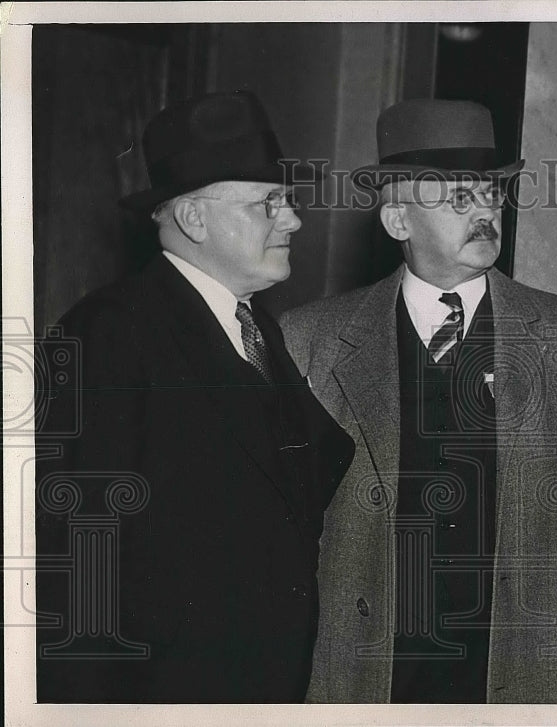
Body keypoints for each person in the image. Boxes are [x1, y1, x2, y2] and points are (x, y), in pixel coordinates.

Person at [280, 99, 557, 703]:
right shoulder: (312, 340)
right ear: (398, 221)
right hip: (367, 674)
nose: (486, 210)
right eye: (460, 197)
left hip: (515, 672)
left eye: (491, 193)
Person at [35, 91, 355, 703]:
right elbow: (80, 562)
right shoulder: (110, 333)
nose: (292, 220)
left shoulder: (258, 329)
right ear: (194, 220)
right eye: (269, 203)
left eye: (286, 201)